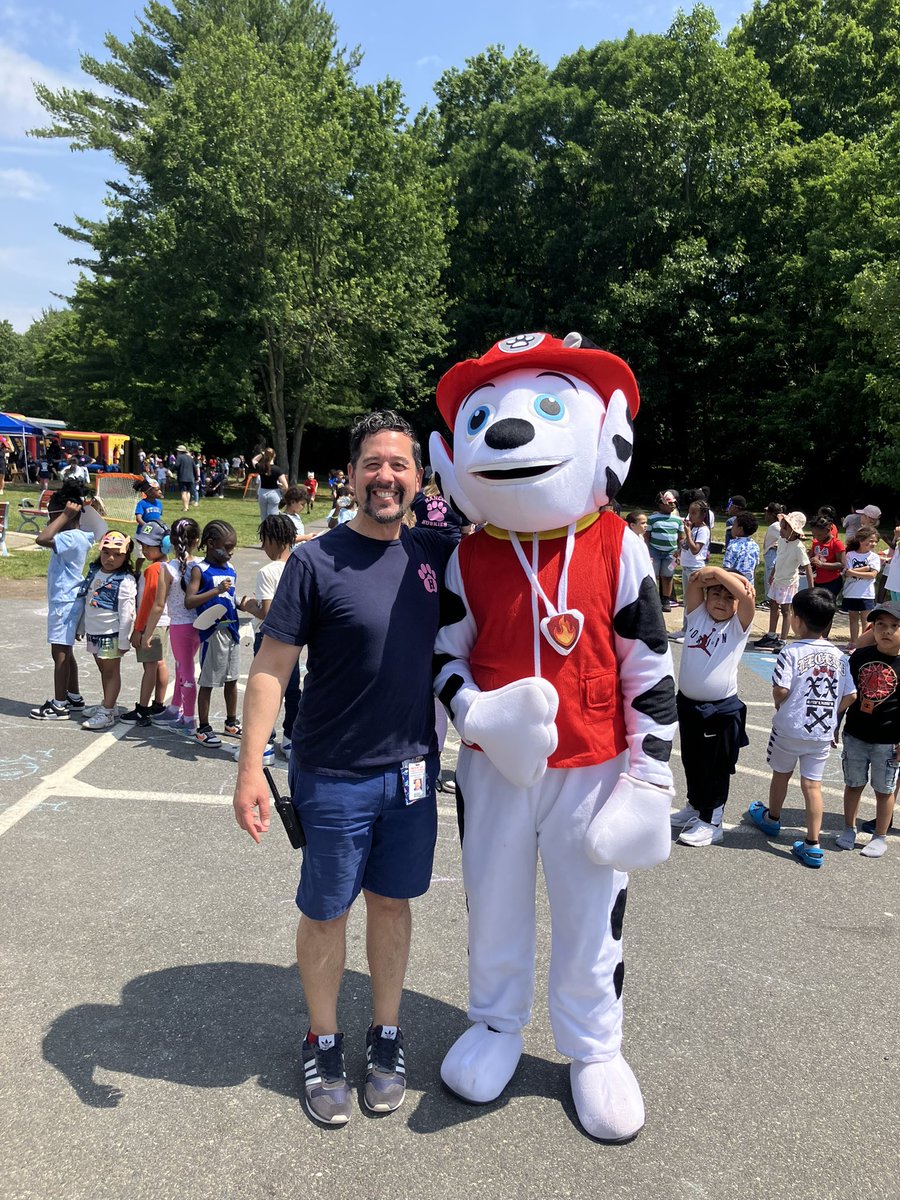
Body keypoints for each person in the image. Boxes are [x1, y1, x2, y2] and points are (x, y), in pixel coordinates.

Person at [232, 410, 454, 1127]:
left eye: (400, 465)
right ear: (350, 475)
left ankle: (385, 1036)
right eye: (372, 464)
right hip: (331, 773)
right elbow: (270, 669)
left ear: (419, 477)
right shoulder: (313, 560)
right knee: (325, 911)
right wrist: (248, 769)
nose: (386, 477)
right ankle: (322, 1041)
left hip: (414, 773)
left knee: (393, 905)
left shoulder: (437, 553)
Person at [748, 588, 856, 868]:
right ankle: (813, 844)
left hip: (789, 727)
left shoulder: (791, 651)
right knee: (812, 785)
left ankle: (772, 819)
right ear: (829, 623)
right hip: (820, 732)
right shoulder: (841, 657)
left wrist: (779, 703)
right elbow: (851, 695)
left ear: (796, 620)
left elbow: (781, 689)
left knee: (781, 774)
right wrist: (834, 713)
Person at [670, 565, 755, 845]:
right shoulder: (697, 617)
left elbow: (747, 599)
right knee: (692, 760)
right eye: (715, 594)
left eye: (728, 597)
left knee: (715, 767)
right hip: (688, 704)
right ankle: (695, 805)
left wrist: (734, 583)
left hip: (719, 709)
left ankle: (712, 821)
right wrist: (723, 575)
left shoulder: (737, 627)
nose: (720, 601)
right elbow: (695, 580)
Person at [29, 482, 106, 721]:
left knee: (59, 652)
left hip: (64, 601)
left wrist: (63, 516)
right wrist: (66, 516)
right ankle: (73, 695)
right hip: (66, 599)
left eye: (53, 513)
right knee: (66, 650)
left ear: (66, 513)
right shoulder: (77, 535)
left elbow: (41, 539)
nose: (50, 518)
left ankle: (59, 704)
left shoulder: (72, 536)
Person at [835, 602, 900, 857]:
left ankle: (880, 836)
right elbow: (847, 694)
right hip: (856, 735)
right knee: (853, 784)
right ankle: (849, 828)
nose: (886, 631)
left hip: (889, 740)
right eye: (880, 625)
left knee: (884, 790)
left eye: (894, 626)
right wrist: (835, 723)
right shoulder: (861, 657)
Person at [237, 514, 302, 762]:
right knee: (292, 689)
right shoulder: (299, 565)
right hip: (293, 638)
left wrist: (247, 605)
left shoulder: (268, 571)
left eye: (264, 541)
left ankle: (263, 743)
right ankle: (290, 740)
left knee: (264, 689)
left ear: (273, 540)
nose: (264, 547)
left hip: (268, 637)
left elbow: (266, 610)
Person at [185, 519, 241, 746]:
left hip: (232, 630)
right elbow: (190, 601)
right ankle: (204, 727)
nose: (230, 552)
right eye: (226, 547)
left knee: (232, 679)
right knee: (208, 681)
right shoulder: (201, 570)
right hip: (212, 632)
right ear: (210, 543)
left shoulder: (231, 569)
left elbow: (230, 598)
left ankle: (230, 722)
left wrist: (243, 603)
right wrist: (216, 590)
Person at [78, 531, 138, 730]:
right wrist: (82, 627)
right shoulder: (95, 570)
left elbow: (127, 613)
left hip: (110, 634)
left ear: (126, 556)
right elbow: (86, 601)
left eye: (117, 554)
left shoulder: (125, 581)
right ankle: (108, 705)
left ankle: (108, 710)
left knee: (111, 672)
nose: (110, 558)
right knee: (103, 670)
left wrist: (123, 641)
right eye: (106, 552)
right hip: (94, 631)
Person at [155, 516, 203, 736]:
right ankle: (175, 707)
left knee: (186, 671)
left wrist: (146, 631)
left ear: (171, 541)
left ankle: (188, 719)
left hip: (180, 626)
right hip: (200, 624)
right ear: (197, 540)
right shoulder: (202, 564)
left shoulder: (168, 568)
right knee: (182, 667)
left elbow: (158, 605)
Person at [124, 520, 174, 727]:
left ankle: (143, 709)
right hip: (163, 623)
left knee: (150, 667)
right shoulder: (167, 565)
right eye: (142, 545)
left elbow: (148, 603)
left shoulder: (154, 569)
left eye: (149, 546)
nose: (144, 549)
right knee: (159, 663)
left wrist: (139, 630)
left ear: (163, 545)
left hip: (151, 625)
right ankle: (158, 704)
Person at [754, 511, 813, 651]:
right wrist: (773, 574)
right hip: (778, 579)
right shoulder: (781, 541)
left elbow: (807, 567)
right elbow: (778, 560)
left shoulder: (798, 547)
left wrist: (811, 588)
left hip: (788, 583)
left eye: (783, 528)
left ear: (793, 531)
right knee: (773, 605)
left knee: (786, 611)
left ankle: (783, 639)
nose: (780, 530)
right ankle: (771, 635)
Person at [670, 498, 711, 641]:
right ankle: (685, 629)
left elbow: (695, 550)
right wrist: (679, 550)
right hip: (686, 567)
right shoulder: (693, 527)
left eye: (694, 513)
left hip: (695, 568)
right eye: (689, 513)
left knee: (694, 602)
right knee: (687, 601)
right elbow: (687, 546)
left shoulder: (703, 530)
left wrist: (687, 533)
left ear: (702, 515)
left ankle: (691, 632)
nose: (690, 516)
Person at [841, 525, 881, 651]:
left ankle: (865, 644)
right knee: (853, 619)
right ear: (861, 540)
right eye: (870, 541)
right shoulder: (850, 554)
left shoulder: (874, 557)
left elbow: (872, 575)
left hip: (866, 593)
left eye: (875, 541)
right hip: (851, 592)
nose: (873, 543)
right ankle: (853, 642)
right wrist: (865, 568)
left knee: (866, 620)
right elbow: (846, 572)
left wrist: (853, 572)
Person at [646, 490, 683, 611]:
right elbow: (647, 536)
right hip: (654, 551)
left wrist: (679, 551)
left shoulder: (678, 520)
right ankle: (652, 598)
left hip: (671, 553)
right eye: (670, 503)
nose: (673, 505)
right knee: (653, 575)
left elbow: (681, 537)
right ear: (661, 504)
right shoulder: (652, 519)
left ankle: (666, 599)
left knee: (668, 576)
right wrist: (646, 551)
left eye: (674, 503)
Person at [809, 516, 845, 600]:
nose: (816, 537)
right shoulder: (816, 542)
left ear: (828, 530)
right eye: (814, 535)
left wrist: (822, 564)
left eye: (819, 535)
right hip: (817, 580)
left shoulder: (836, 544)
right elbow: (812, 556)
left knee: (828, 605)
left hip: (832, 581)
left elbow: (841, 564)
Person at [722, 512, 760, 589]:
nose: (732, 528)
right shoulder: (755, 546)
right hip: (748, 585)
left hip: (734, 584)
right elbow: (754, 568)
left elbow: (726, 568)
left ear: (740, 529)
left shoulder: (733, 546)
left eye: (734, 525)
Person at [252, 448, 288, 520]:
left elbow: (254, 460)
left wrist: (262, 454)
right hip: (274, 493)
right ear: (274, 455)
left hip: (262, 492)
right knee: (273, 517)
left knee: (263, 517)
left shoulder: (261, 467)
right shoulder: (277, 469)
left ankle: (264, 531)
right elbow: (286, 486)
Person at [174, 445, 196, 513]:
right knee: (188, 492)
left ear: (179, 451)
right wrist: (195, 477)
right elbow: (194, 468)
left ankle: (185, 507)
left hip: (182, 477)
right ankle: (187, 506)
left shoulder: (179, 457)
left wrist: (171, 470)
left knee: (183, 492)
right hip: (190, 477)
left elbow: (176, 466)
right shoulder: (190, 458)